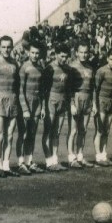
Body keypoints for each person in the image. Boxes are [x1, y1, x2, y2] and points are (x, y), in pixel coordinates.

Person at [0, 35, 20, 178]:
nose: (6, 49)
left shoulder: (15, 63)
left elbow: (17, 85)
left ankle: (6, 165)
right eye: (4, 47)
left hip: (12, 99)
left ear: (12, 47)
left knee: (10, 135)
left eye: (9, 47)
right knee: (0, 134)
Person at [16, 41, 46, 176]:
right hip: (25, 103)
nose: (35, 55)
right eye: (32, 53)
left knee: (32, 134)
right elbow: (20, 90)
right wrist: (24, 108)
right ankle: (20, 163)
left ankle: (29, 160)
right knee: (23, 133)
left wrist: (42, 107)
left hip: (36, 103)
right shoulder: (24, 68)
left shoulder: (40, 68)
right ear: (28, 53)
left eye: (37, 53)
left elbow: (42, 91)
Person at [42, 43, 71, 172]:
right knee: (48, 132)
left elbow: (67, 89)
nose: (64, 59)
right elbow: (44, 90)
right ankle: (48, 162)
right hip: (50, 102)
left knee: (57, 132)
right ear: (56, 54)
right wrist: (44, 107)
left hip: (62, 102)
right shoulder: (49, 68)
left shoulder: (67, 69)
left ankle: (55, 160)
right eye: (62, 56)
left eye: (66, 57)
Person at [66, 42, 96, 169]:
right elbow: (68, 88)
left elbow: (93, 87)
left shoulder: (90, 68)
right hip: (76, 98)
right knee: (73, 130)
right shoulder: (72, 67)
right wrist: (72, 104)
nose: (84, 55)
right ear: (76, 53)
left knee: (83, 130)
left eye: (86, 52)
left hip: (87, 99)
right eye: (81, 52)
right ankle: (71, 157)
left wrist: (94, 103)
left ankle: (80, 156)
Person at [93, 48, 112, 167]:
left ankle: (104, 155)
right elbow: (95, 89)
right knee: (99, 130)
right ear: (107, 59)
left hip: (110, 104)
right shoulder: (101, 71)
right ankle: (98, 157)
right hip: (101, 102)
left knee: (107, 131)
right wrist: (95, 105)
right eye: (111, 59)